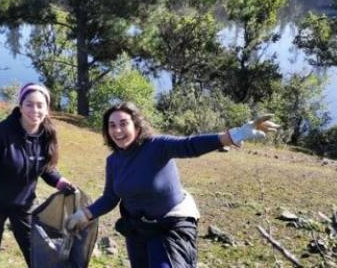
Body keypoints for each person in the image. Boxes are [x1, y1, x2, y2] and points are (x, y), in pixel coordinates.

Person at [68, 103, 277, 267]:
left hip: (170, 226)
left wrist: (233, 136)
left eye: (123, 123)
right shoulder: (113, 161)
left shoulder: (156, 146)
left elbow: (190, 145)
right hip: (138, 229)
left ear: (137, 126)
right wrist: (84, 214)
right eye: (112, 125)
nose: (117, 130)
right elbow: (110, 198)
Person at [0, 82, 75, 268]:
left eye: (40, 105)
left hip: (23, 203)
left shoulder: (47, 134)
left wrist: (60, 181)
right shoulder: (2, 131)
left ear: (47, 109)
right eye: (29, 104)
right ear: (20, 106)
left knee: (35, 252)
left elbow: (45, 168)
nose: (34, 110)